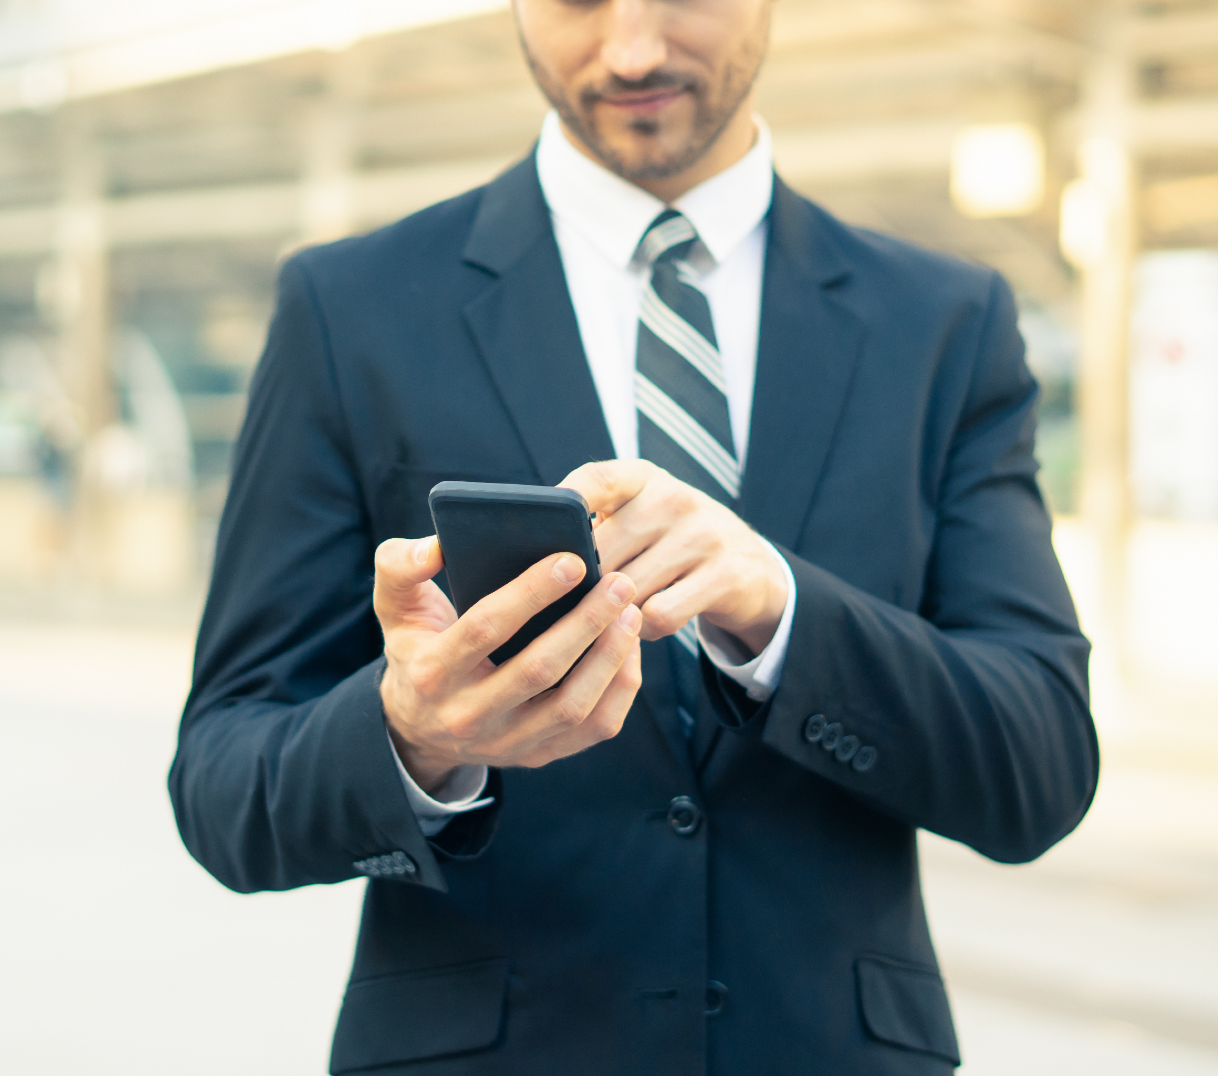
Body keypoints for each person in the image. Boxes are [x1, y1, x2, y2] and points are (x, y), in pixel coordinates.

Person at [168, 0, 1097, 1073]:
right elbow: (222, 781)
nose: (634, 49)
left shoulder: (943, 322)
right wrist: (414, 736)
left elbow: (1042, 767)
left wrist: (781, 611)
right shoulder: (351, 308)